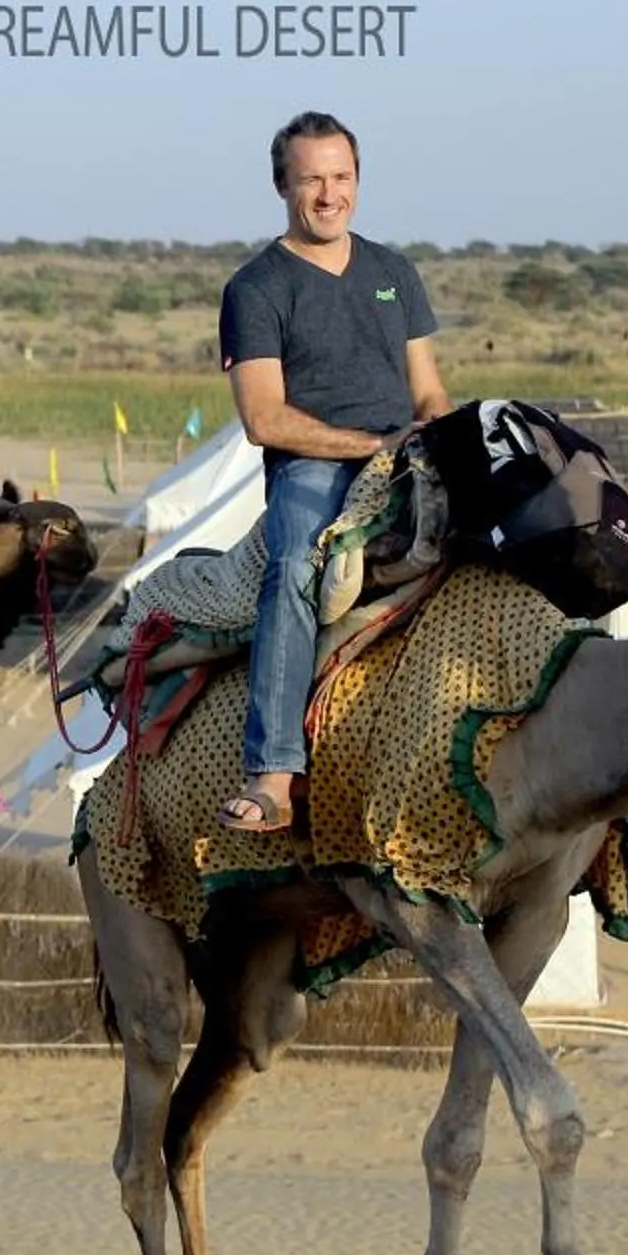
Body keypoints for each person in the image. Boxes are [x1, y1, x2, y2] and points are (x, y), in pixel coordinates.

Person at [218, 111, 449, 834]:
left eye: (341, 176)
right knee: (292, 569)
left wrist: (444, 437)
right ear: (282, 183)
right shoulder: (256, 288)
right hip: (313, 469)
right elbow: (264, 419)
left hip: (409, 453)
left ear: (358, 180)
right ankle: (274, 773)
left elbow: (428, 391)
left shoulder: (393, 272)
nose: (329, 193)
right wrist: (368, 448)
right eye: (312, 178)